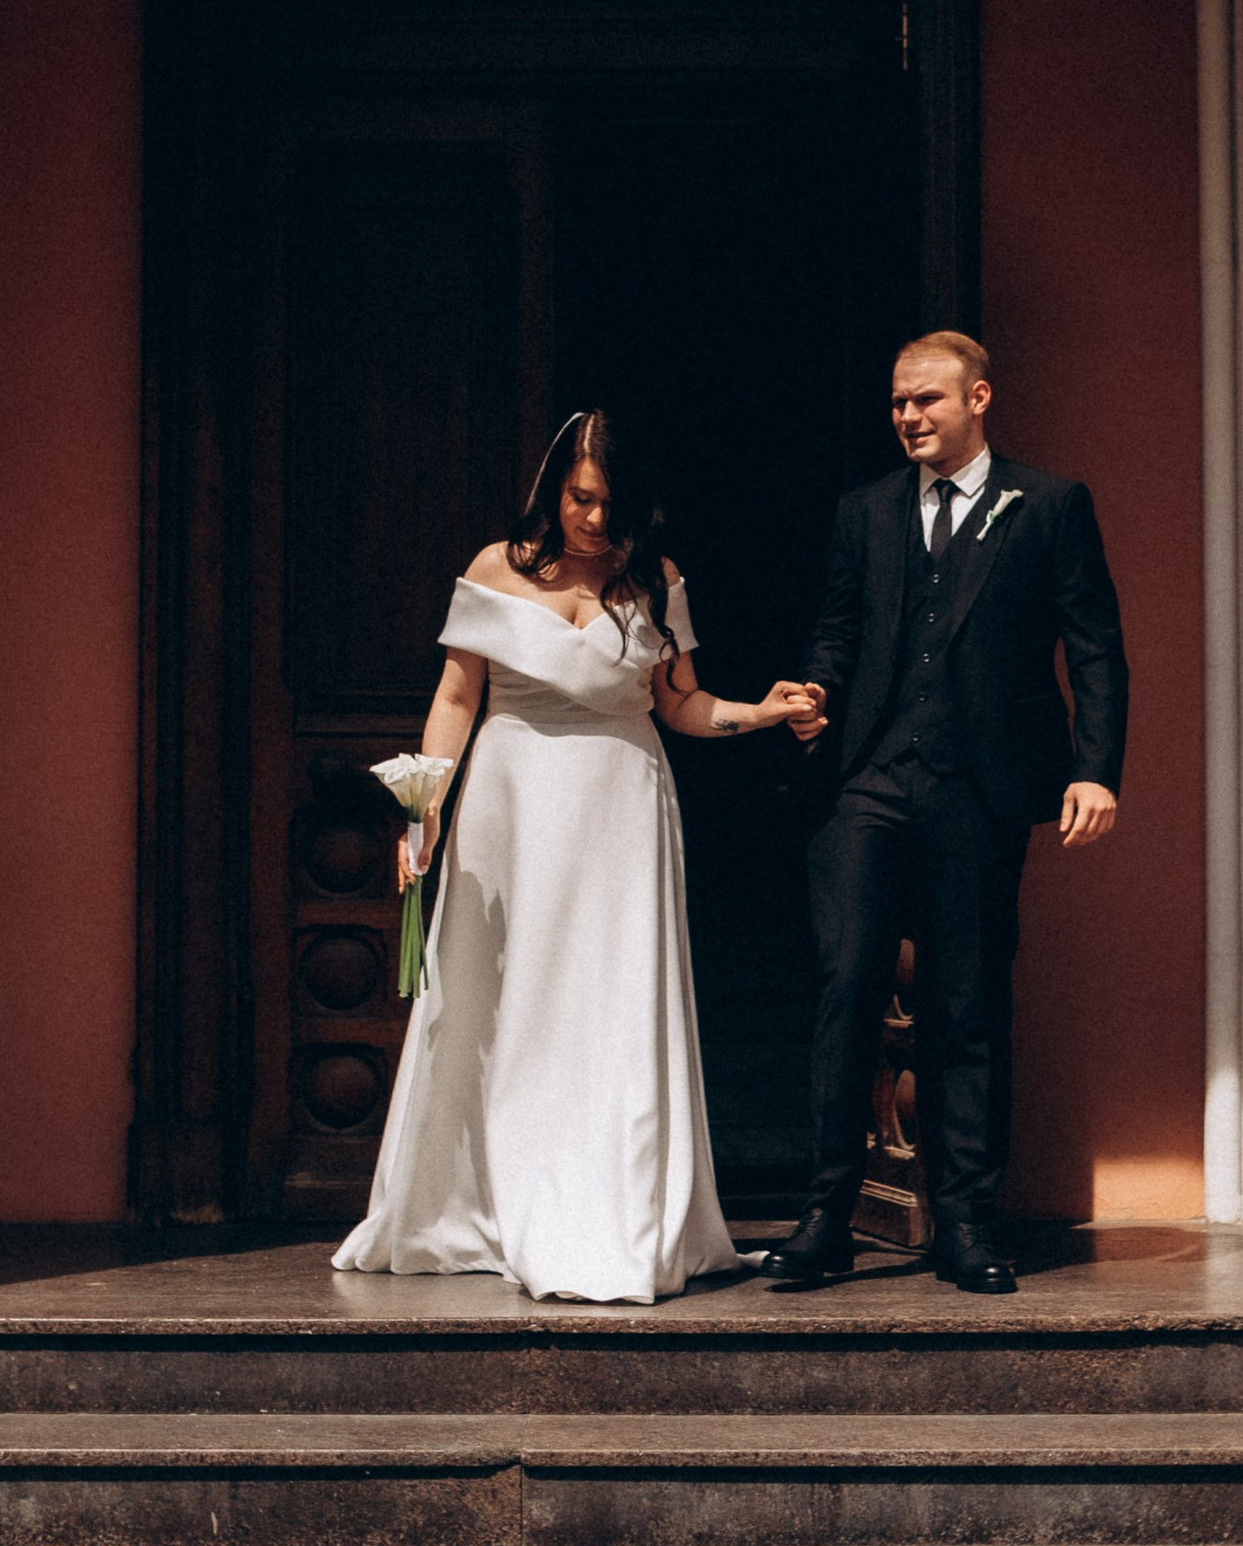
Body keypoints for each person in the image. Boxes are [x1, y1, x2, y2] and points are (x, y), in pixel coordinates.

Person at [334, 406, 816, 1306]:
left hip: (621, 806)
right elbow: (456, 696)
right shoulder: (496, 567)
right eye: (580, 498)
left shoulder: (655, 579)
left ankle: (610, 1210)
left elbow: (681, 702)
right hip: (513, 804)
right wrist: (422, 810)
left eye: (609, 504)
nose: (593, 519)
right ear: (553, 488)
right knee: (505, 997)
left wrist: (761, 711)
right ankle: (488, 1200)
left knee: (610, 1001)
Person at [766, 328, 1128, 1300]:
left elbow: (1094, 647)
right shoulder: (866, 510)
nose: (908, 416)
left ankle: (966, 1219)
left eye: (925, 398)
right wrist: (815, 691)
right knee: (847, 982)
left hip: (979, 788)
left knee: (966, 999)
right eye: (897, 401)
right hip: (868, 781)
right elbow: (840, 628)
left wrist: (1095, 771)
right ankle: (827, 1216)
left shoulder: (1048, 504)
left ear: (978, 398)